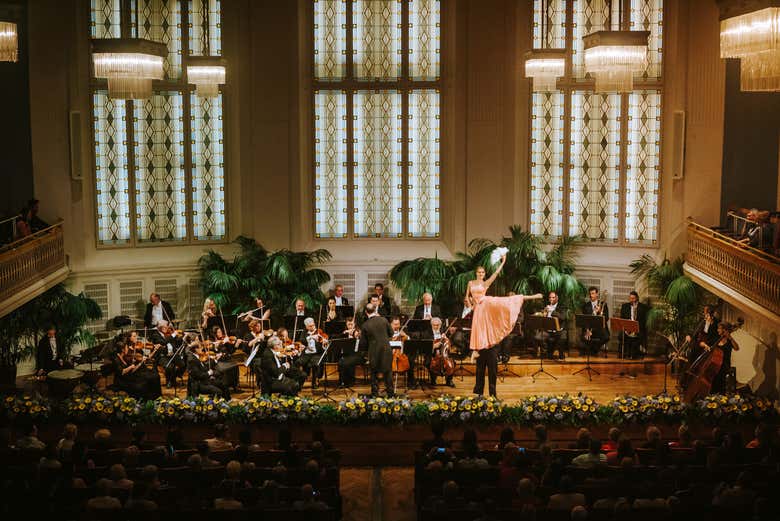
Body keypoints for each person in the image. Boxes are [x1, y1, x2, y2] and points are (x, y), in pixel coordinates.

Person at [467, 255, 542, 397]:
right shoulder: (471, 283)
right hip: (478, 307)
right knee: (480, 367)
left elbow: (495, 274)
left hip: (485, 303)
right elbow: (467, 296)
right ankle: (475, 350)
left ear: (484, 274)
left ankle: (532, 296)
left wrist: (503, 262)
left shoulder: (486, 286)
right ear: (476, 273)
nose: (481, 274)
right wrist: (471, 304)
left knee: (508, 301)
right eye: (479, 272)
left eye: (483, 272)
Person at [360, 303, 394, 397]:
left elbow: (363, 344)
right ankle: (390, 394)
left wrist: (363, 354)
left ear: (366, 312)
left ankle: (375, 394)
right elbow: (391, 333)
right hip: (386, 350)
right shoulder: (384, 320)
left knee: (374, 373)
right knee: (388, 372)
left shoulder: (365, 325)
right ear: (375, 310)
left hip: (374, 352)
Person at [700, 321, 740, 394]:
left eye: (719, 328)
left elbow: (737, 348)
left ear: (724, 330)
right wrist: (706, 346)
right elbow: (701, 343)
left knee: (721, 388)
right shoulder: (716, 339)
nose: (717, 330)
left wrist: (730, 337)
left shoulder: (729, 341)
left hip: (724, 367)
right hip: (714, 367)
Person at [421, 317, 454, 387]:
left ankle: (449, 380)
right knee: (429, 363)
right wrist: (433, 346)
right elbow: (424, 347)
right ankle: (433, 379)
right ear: (431, 325)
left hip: (444, 354)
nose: (436, 327)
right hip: (432, 354)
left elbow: (450, 344)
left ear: (440, 325)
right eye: (434, 325)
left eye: (438, 325)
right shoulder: (426, 333)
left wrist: (446, 338)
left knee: (452, 362)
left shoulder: (444, 331)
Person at [536, 291, 568, 360]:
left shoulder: (562, 306)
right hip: (548, 330)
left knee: (562, 338)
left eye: (553, 297)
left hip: (559, 330)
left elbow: (563, 317)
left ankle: (561, 354)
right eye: (550, 297)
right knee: (538, 337)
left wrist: (552, 311)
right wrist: (543, 314)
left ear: (557, 298)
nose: (551, 299)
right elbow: (543, 318)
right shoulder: (547, 306)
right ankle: (546, 352)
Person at [580, 286, 610, 356]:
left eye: (593, 293)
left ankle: (594, 349)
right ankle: (593, 350)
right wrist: (587, 330)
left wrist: (599, 311)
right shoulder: (586, 305)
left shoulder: (603, 304)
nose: (591, 295)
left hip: (600, 328)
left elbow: (606, 318)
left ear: (597, 294)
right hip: (589, 328)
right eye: (590, 294)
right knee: (583, 337)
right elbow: (584, 320)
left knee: (606, 337)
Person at [620, 291, 649, 359]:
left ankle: (634, 354)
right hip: (627, 328)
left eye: (633, 298)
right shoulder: (625, 306)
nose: (631, 300)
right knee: (621, 336)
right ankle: (625, 354)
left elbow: (644, 321)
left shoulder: (643, 307)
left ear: (637, 298)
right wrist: (626, 328)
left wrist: (636, 328)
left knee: (639, 337)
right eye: (630, 298)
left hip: (638, 328)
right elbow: (622, 319)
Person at [298, 318, 326, 388]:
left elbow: (324, 341)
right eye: (310, 326)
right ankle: (300, 380)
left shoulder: (319, 332)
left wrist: (324, 341)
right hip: (307, 353)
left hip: (317, 353)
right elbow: (302, 340)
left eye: (313, 325)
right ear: (306, 327)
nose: (313, 327)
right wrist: (310, 337)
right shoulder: (304, 332)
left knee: (315, 364)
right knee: (298, 362)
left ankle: (314, 381)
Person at [337, 316, 364, 387]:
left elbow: (361, 343)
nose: (350, 326)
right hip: (347, 354)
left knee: (348, 361)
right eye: (348, 324)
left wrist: (356, 336)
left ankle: (350, 381)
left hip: (357, 355)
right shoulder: (344, 333)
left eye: (351, 324)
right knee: (341, 361)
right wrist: (344, 334)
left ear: (354, 324)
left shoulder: (358, 332)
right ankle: (342, 381)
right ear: (346, 325)